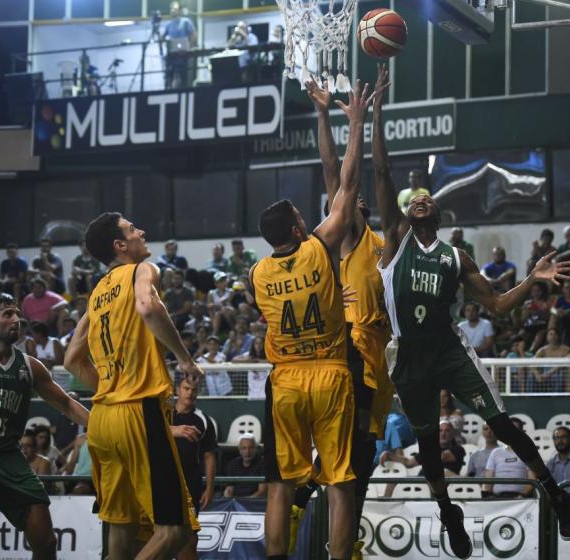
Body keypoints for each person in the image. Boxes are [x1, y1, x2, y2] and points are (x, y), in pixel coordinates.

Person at [371, 63, 570, 557]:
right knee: (427, 444)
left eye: (427, 198)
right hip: (408, 357)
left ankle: (554, 493)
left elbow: (498, 306)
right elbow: (380, 171)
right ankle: (449, 514)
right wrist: (377, 110)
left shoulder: (456, 257)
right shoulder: (395, 244)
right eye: (414, 198)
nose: (420, 199)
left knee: (502, 423)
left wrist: (532, 278)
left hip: (449, 349)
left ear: (438, 213)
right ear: (405, 212)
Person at [250, 80, 376, 560]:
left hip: (285, 379)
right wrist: (355, 122)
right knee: (340, 482)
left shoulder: (257, 273)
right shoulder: (319, 248)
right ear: (299, 227)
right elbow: (346, 184)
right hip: (329, 373)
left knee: (281, 484)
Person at [287, 78, 396, 558]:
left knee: (359, 463)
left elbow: (378, 174)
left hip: (373, 361)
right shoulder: (344, 239)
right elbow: (333, 169)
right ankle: (312, 520)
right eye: (348, 202)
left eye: (358, 202)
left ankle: (337, 535)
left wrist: (373, 115)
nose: (353, 202)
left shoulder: (384, 246)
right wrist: (323, 114)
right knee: (347, 460)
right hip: (340, 356)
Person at [63, 212, 203, 559]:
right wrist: (185, 359)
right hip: (139, 412)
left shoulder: (97, 294)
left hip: (102, 419)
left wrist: (112, 387)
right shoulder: (143, 270)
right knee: (176, 530)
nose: (141, 231)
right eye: (131, 229)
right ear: (120, 245)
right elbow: (147, 306)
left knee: (122, 528)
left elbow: (71, 360)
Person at [0, 293, 89, 559]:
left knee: (45, 542)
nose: (16, 319)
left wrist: (99, 425)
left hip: (10, 457)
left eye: (17, 314)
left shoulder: (29, 366)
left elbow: (66, 403)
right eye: (7, 314)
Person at [171, 378, 218, 560]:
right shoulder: (164, 415)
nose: (190, 393)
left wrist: (210, 487)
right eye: (186, 388)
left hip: (190, 484)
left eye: (194, 390)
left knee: (189, 536)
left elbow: (209, 455)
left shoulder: (203, 420)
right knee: (156, 534)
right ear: (177, 390)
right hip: (161, 482)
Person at [381, 420, 466, 477]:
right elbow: (408, 463)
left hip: (445, 486)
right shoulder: (429, 450)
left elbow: (440, 457)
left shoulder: (458, 450)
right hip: (422, 482)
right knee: (393, 482)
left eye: (447, 430)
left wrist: (428, 441)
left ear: (452, 433)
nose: (443, 434)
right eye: (440, 430)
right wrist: (390, 455)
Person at [483, 418, 536, 499]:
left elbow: (532, 479)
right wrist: (487, 495)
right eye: (507, 429)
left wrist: (522, 495)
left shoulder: (527, 451)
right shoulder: (495, 452)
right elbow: (488, 479)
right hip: (497, 498)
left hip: (521, 499)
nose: (510, 433)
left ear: (521, 432)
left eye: (514, 430)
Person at [529, 328, 570, 392]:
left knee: (561, 374)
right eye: (550, 334)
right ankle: (528, 395)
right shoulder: (542, 350)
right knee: (531, 374)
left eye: (555, 334)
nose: (553, 336)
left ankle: (558, 396)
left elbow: (568, 363)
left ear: (558, 336)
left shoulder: (566, 349)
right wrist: (537, 374)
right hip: (545, 374)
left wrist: (551, 372)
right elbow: (532, 363)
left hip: (559, 372)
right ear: (547, 337)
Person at [164, 1, 196, 89]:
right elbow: (163, 38)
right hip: (173, 55)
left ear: (179, 10)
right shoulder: (168, 25)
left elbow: (193, 35)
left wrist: (189, 46)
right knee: (170, 74)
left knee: (184, 77)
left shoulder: (186, 22)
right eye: (171, 9)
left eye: (175, 9)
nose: (173, 11)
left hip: (185, 54)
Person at [223, 433, 267, 498]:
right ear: (239, 450)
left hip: (254, 502)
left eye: (251, 448)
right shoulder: (233, 464)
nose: (247, 451)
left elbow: (262, 492)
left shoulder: (263, 464)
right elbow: (229, 489)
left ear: (256, 449)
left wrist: (245, 501)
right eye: (244, 448)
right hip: (236, 501)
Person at [549, 279, 570, 345]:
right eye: (566, 288)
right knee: (553, 316)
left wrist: (567, 311)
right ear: (563, 289)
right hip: (562, 316)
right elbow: (552, 309)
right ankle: (550, 338)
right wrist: (557, 312)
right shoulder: (560, 298)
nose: (568, 290)